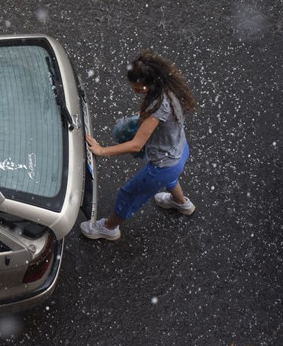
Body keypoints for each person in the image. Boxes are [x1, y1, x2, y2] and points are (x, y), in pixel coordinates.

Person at [81, 49, 197, 241]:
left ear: (150, 83)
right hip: (180, 151)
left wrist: (102, 150)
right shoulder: (169, 88)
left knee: (129, 194)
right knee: (170, 178)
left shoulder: (159, 106)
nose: (136, 91)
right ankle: (181, 203)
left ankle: (109, 228)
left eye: (139, 88)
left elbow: (136, 145)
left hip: (163, 165)